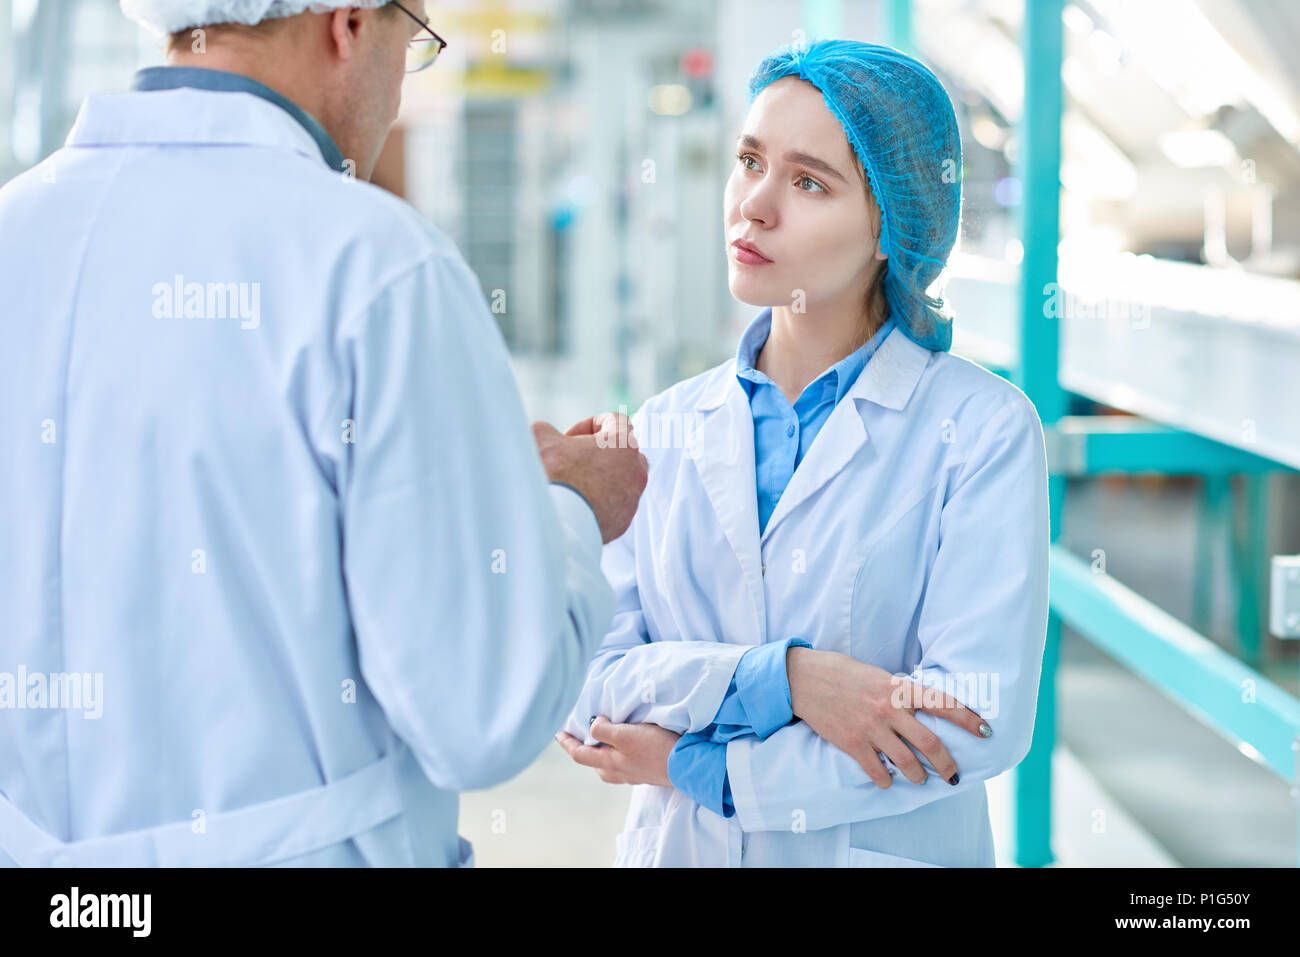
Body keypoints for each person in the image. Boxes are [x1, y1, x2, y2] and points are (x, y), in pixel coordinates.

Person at [0, 0, 647, 867]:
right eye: (409, 45)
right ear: (347, 25)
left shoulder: (16, 232)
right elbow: (480, 715)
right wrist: (570, 507)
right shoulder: (375, 264)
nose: (397, 94)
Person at [556, 39, 1050, 867]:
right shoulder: (666, 426)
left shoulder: (985, 429)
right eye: (749, 161)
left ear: (895, 223)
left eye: (809, 181)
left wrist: (695, 762)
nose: (754, 205)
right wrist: (785, 680)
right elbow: (591, 685)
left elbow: (968, 723)